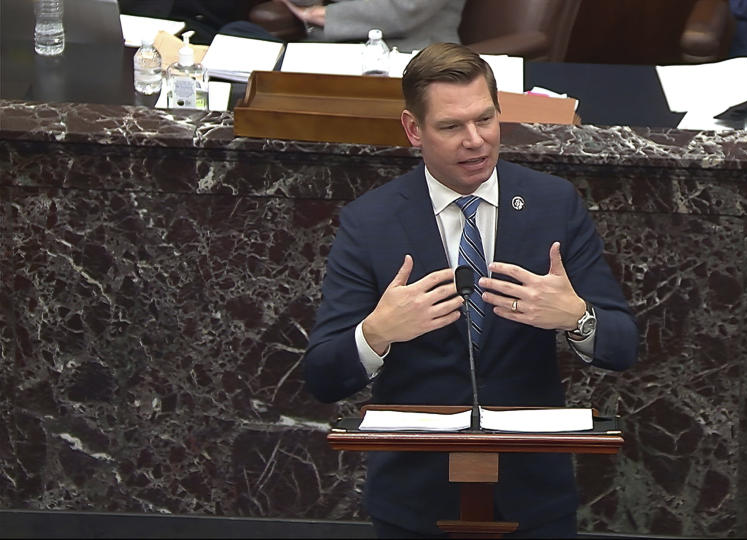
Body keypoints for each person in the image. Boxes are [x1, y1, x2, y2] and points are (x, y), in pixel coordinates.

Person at [302, 43, 639, 537]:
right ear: (414, 130)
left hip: (533, 493)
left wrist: (577, 318)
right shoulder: (370, 223)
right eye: (451, 126)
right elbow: (324, 376)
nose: (475, 141)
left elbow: (623, 345)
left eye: (486, 119)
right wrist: (376, 333)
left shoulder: (552, 205)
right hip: (416, 498)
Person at [221, 0, 465, 52]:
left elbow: (406, 9)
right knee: (236, 37)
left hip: (406, 53)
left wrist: (319, 14)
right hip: (333, 47)